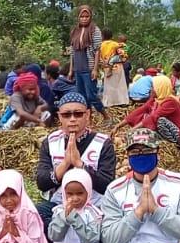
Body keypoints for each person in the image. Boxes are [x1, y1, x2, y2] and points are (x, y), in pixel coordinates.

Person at [34, 92, 117, 228]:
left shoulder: (103, 143)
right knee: (35, 215)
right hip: (59, 204)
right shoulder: (50, 142)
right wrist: (65, 164)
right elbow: (42, 183)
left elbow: (107, 185)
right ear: (59, 117)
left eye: (78, 114)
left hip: (94, 206)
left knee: (110, 227)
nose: (72, 119)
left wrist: (80, 165)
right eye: (67, 115)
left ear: (87, 115)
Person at [115, 75, 180, 145]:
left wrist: (130, 131)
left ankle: (169, 143)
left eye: (153, 87)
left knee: (160, 121)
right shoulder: (156, 100)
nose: (151, 89)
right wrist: (118, 126)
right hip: (166, 132)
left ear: (160, 88)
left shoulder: (171, 101)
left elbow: (153, 117)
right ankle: (150, 138)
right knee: (145, 119)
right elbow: (141, 110)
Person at [67, 6, 104, 114]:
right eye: (82, 16)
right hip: (78, 67)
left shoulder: (94, 30)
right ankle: (89, 117)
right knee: (82, 96)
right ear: (78, 17)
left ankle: (105, 115)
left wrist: (95, 69)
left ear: (90, 17)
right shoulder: (75, 31)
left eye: (87, 16)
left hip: (88, 67)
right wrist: (71, 69)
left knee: (91, 95)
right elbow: (72, 51)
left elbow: (97, 50)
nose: (84, 19)